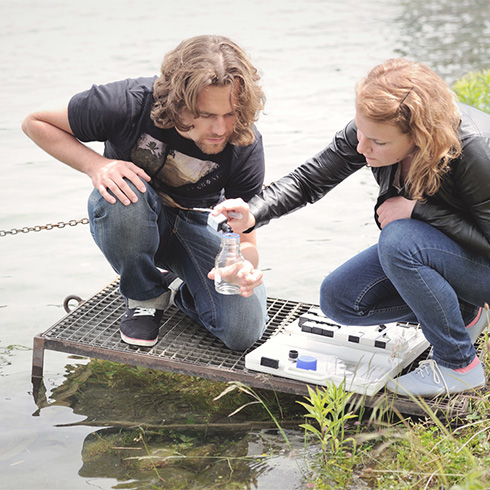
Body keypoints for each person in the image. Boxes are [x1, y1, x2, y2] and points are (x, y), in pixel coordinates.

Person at [213, 58, 490, 397]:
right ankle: (463, 312)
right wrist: (253, 212)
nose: (361, 148)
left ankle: (458, 364)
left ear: (420, 136)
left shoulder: (474, 150)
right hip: (445, 253)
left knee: (399, 240)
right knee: (341, 300)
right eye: (360, 132)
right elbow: (308, 180)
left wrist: (419, 211)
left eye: (377, 143)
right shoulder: (373, 129)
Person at [22, 35, 267, 351]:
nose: (220, 129)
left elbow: (245, 241)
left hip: (195, 223)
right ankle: (145, 295)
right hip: (131, 213)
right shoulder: (128, 103)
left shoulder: (245, 144)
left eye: (230, 113)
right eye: (206, 115)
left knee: (243, 333)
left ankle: (180, 289)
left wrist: (243, 267)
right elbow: (35, 122)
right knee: (122, 189)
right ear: (178, 103)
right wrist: (95, 165)